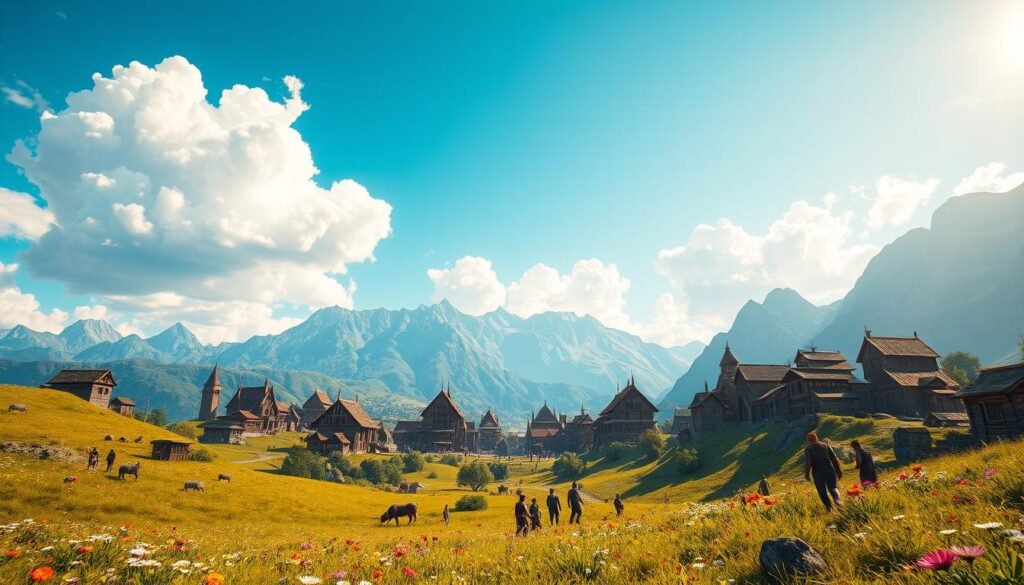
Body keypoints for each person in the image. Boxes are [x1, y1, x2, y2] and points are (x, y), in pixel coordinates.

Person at [804, 431, 843, 512]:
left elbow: (808, 462)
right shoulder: (825, 445)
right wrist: (839, 470)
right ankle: (838, 501)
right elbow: (835, 459)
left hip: (818, 472)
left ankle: (830, 509)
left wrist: (807, 474)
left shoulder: (808, 449)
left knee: (822, 491)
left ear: (808, 440)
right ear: (816, 438)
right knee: (833, 487)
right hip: (830, 469)